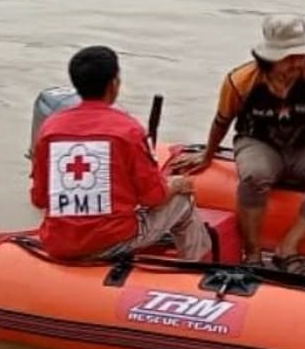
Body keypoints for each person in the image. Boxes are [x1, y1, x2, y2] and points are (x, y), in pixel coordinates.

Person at [172, 15, 305, 273]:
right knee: (254, 175)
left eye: (302, 55)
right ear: (270, 57)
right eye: (290, 57)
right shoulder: (240, 81)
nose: (298, 62)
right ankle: (252, 253)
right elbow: (222, 120)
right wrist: (207, 154)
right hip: (258, 141)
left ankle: (289, 246)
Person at [30, 46, 210, 262]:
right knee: (182, 199)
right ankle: (195, 274)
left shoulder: (50, 129)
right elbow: (154, 198)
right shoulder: (128, 130)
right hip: (111, 240)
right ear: (114, 84)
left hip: (59, 243)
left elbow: (39, 198)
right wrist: (176, 184)